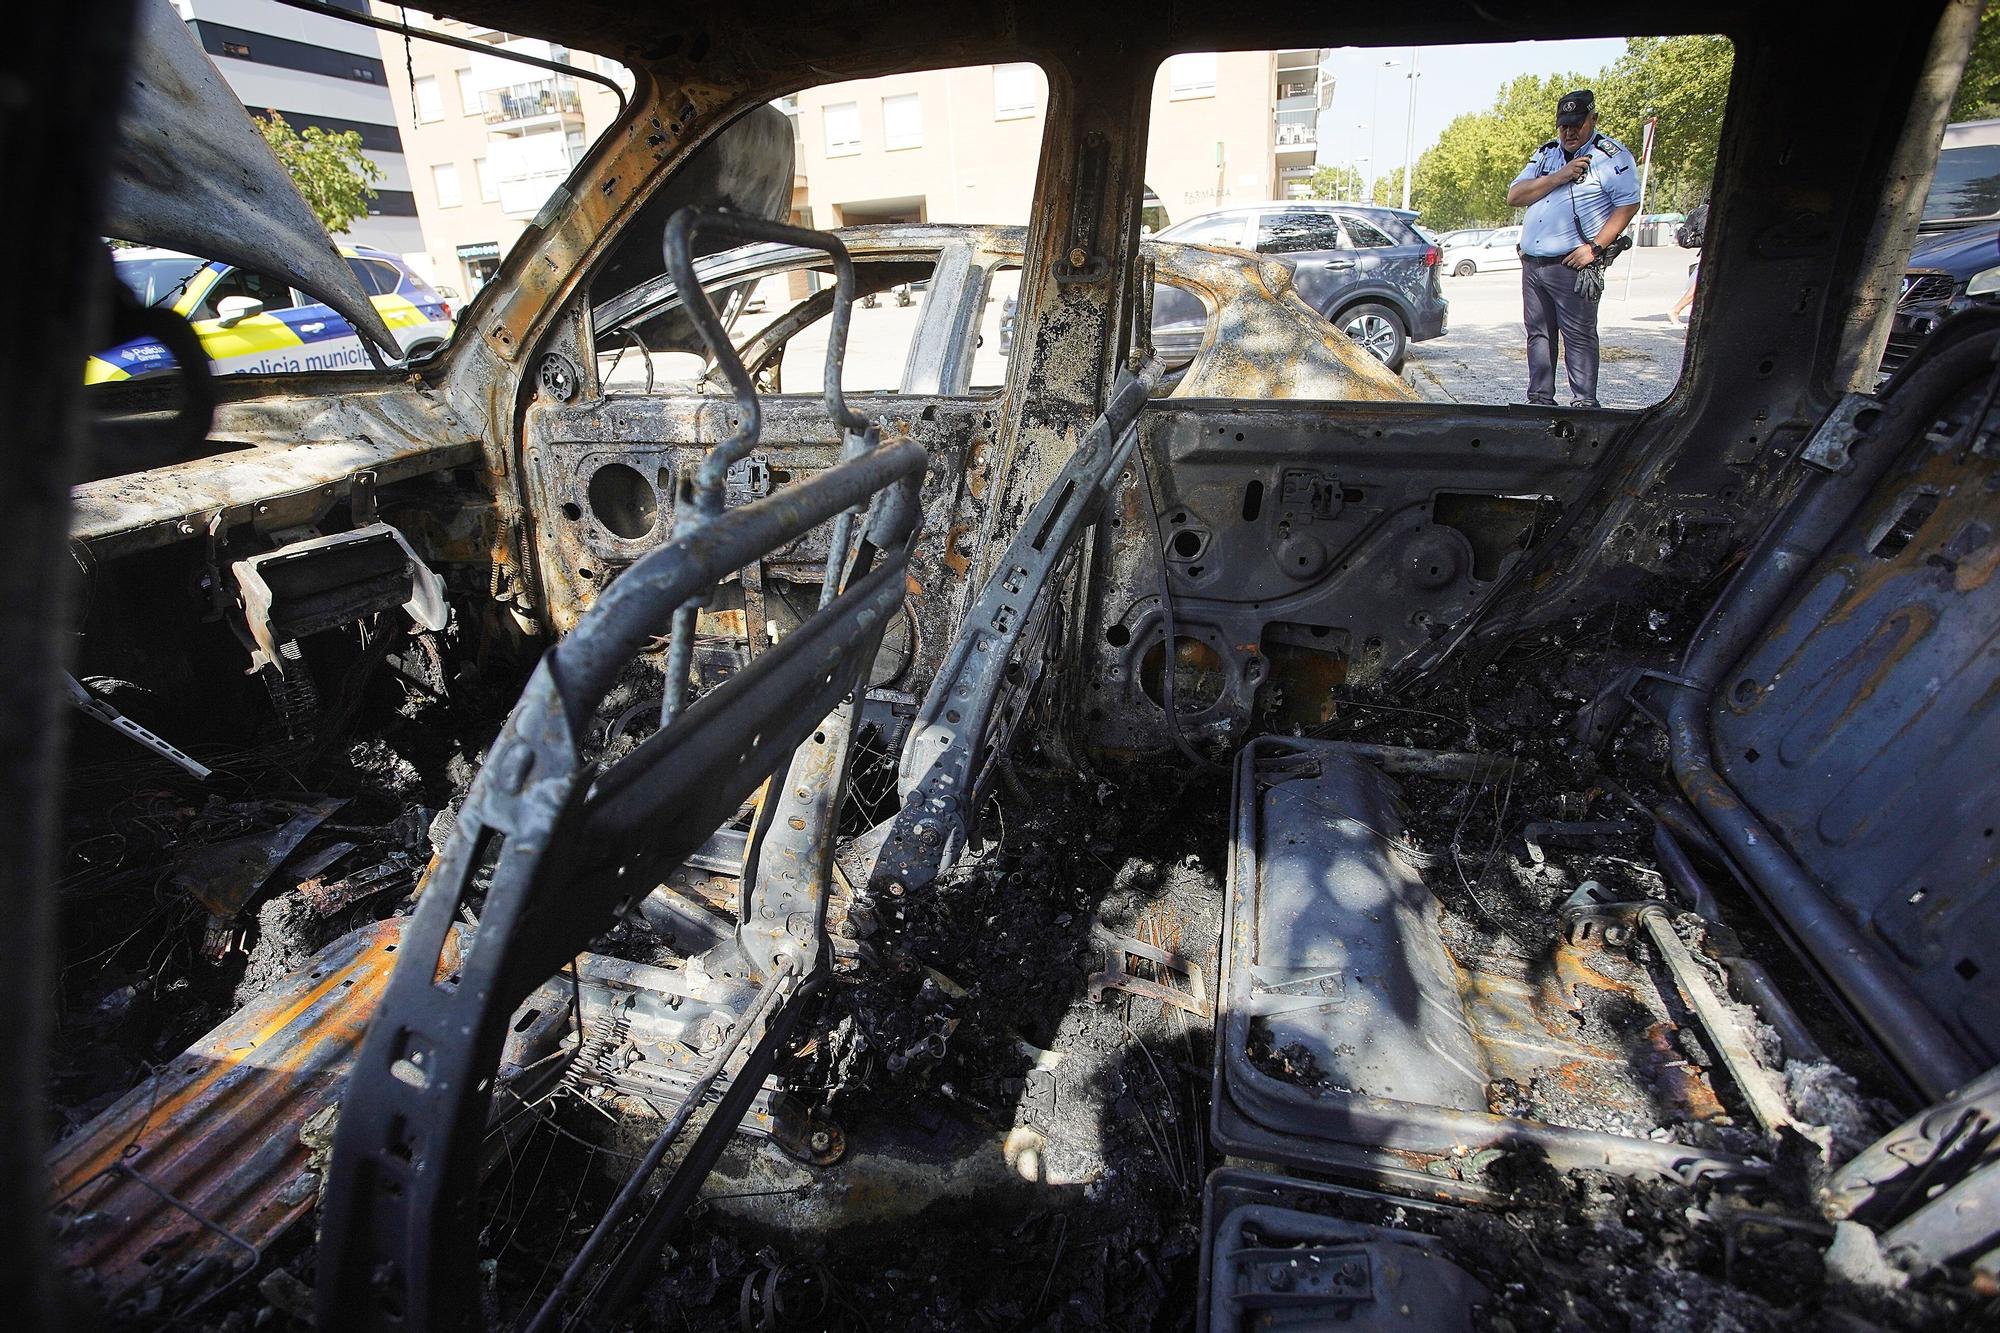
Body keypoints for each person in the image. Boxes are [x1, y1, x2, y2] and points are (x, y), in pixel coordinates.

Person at [1505, 90, 1642, 407]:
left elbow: (1628, 205)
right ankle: (1539, 400)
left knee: (1578, 336)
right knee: (1538, 334)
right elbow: (1515, 195)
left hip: (1572, 264)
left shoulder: (1611, 158)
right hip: (1533, 264)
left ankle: (1584, 404)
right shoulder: (1547, 155)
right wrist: (1559, 176)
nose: (1568, 132)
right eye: (1563, 125)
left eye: (1576, 125)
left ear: (1592, 120)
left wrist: (1595, 248)